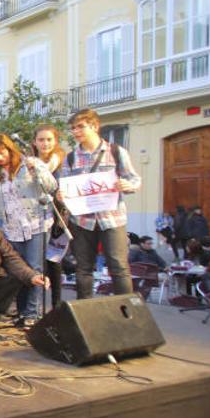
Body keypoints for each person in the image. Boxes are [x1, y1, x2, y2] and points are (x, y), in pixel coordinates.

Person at [57, 109, 141, 298]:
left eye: (80, 126)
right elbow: (64, 186)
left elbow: (134, 180)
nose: (76, 131)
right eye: (73, 128)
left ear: (94, 126)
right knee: (83, 268)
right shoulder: (70, 158)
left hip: (112, 219)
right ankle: (85, 312)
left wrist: (127, 185)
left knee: (118, 266)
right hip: (82, 221)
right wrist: (63, 195)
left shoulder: (116, 152)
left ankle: (127, 312)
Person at [0, 134, 57, 326]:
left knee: (35, 269)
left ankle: (33, 313)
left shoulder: (28, 165)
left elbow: (51, 186)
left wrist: (39, 171)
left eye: (1, 153)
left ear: (9, 149)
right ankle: (22, 311)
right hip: (12, 228)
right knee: (19, 270)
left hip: (36, 224)